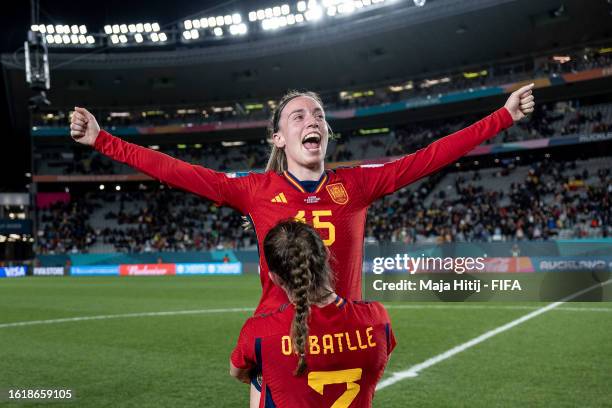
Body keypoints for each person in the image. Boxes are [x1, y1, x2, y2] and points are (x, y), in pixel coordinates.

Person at [70, 84, 535, 316]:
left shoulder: (356, 185)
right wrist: (102, 140)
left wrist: (503, 116)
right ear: (279, 137)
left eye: (318, 114)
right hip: (277, 343)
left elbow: (430, 156)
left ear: (326, 132)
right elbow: (176, 170)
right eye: (298, 115)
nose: (311, 119)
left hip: (344, 341)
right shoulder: (255, 190)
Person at [230, 220, 395, 407]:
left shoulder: (259, 332)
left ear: (274, 278)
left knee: (261, 380)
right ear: (325, 254)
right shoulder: (377, 319)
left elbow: (238, 372)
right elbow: (377, 367)